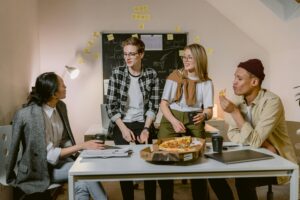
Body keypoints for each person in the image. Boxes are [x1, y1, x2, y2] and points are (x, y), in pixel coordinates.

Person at [6, 72, 108, 200]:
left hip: (58, 163)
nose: (66, 86)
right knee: (83, 170)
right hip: (38, 170)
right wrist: (81, 145)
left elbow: (64, 139)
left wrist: (82, 150)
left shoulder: (60, 106)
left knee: (81, 180)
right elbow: (49, 155)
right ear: (53, 93)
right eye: (62, 85)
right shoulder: (29, 115)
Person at [216, 58, 297, 200]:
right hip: (252, 154)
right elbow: (233, 134)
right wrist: (264, 143)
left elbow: (254, 140)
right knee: (215, 174)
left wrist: (235, 112)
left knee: (244, 179)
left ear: (254, 82)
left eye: (239, 78)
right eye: (234, 77)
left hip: (277, 161)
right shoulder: (237, 101)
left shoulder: (272, 102)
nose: (234, 82)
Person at [106, 37, 160, 200]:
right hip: (122, 123)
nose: (127, 57)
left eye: (132, 54)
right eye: (125, 54)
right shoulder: (117, 74)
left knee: (148, 164)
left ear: (141, 54)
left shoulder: (151, 74)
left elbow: (154, 105)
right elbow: (110, 105)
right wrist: (122, 128)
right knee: (125, 165)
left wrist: (146, 128)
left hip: (144, 123)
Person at [158, 43, 213, 200]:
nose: (186, 60)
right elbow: (163, 104)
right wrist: (174, 121)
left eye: (190, 57)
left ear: (199, 59)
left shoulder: (206, 82)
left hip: (195, 119)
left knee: (198, 162)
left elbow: (209, 109)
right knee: (165, 160)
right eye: (184, 56)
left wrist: (204, 115)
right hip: (171, 118)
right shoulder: (174, 77)